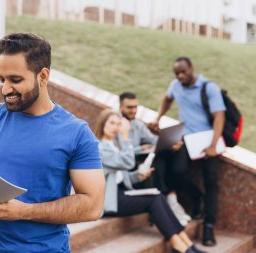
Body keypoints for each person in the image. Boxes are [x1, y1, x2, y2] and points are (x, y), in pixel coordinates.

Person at [0, 32, 105, 252]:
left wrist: (24, 211)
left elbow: (93, 206)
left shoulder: (76, 133)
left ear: (43, 76)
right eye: (1, 79)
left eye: (15, 80)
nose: (5, 89)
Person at [95, 109, 206, 253]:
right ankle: (179, 246)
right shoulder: (99, 147)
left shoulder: (112, 145)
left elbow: (119, 176)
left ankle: (187, 243)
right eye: (111, 123)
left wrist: (138, 176)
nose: (115, 127)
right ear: (102, 123)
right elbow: (127, 163)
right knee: (153, 200)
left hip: (120, 193)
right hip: (109, 200)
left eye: (117, 124)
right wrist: (125, 136)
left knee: (158, 196)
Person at [149, 56, 226, 246]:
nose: (180, 75)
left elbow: (219, 117)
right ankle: (195, 197)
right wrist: (158, 117)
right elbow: (167, 99)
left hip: (208, 139)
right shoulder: (175, 85)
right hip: (186, 138)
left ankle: (208, 227)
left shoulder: (209, 87)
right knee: (176, 170)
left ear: (191, 68)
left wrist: (213, 145)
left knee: (211, 181)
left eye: (183, 71)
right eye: (177, 73)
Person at [119, 92, 192, 226]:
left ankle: (170, 198)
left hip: (141, 161)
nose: (133, 110)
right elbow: (114, 151)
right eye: (129, 107)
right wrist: (139, 149)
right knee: (157, 159)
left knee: (165, 154)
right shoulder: (113, 123)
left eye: (135, 107)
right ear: (120, 107)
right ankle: (167, 202)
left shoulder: (137, 124)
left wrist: (171, 142)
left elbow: (154, 140)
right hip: (124, 166)